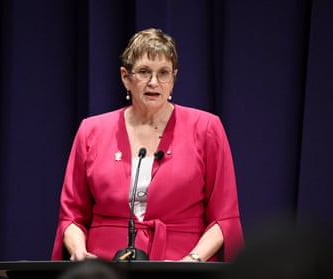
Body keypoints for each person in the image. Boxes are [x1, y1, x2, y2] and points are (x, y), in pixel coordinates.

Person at [51, 28, 243, 262]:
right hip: (105, 267)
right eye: (144, 72)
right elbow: (72, 217)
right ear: (125, 77)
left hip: (183, 267)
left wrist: (192, 261)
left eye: (163, 73)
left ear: (173, 79)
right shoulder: (91, 130)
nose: (154, 82)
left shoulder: (206, 128)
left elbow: (224, 218)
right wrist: (79, 252)